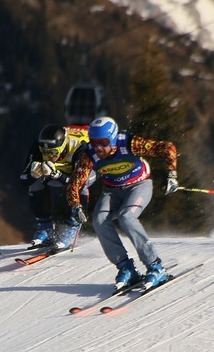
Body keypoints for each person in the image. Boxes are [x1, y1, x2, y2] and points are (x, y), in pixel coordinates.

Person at [66, 116, 179, 291]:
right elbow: (74, 182)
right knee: (99, 220)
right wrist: (75, 205)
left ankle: (155, 266)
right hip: (112, 190)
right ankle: (126, 268)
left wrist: (171, 174)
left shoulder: (129, 143)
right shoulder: (90, 154)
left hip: (139, 185)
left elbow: (167, 148)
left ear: (112, 138)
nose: (98, 148)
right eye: (94, 142)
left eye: (103, 142)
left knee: (127, 218)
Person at [21, 124, 93, 249]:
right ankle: (45, 227)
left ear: (63, 145)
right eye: (45, 152)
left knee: (83, 185)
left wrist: (58, 174)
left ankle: (72, 226)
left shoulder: (78, 146)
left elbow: (78, 181)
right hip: (58, 173)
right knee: (35, 183)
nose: (49, 156)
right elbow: (23, 179)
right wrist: (32, 175)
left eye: (54, 152)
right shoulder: (38, 146)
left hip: (83, 172)